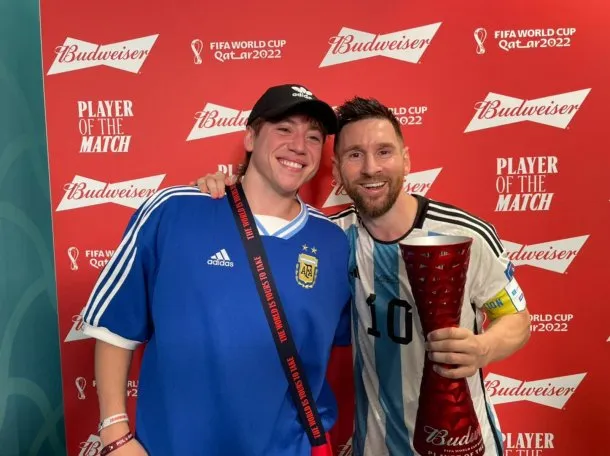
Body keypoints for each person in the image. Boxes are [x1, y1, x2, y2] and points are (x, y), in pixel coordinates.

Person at [197, 96, 531, 456]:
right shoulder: (331, 239)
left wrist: (484, 348)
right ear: (338, 171)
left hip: (460, 442)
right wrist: (220, 193)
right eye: (355, 155)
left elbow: (515, 318)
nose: (371, 168)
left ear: (406, 160)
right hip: (373, 446)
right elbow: (260, 246)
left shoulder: (466, 235)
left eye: (384, 152)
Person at [80, 84, 352, 456]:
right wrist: (115, 432)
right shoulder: (173, 211)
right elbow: (114, 328)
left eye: (314, 137)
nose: (299, 146)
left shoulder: (334, 242)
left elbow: (359, 338)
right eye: (284, 129)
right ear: (251, 137)